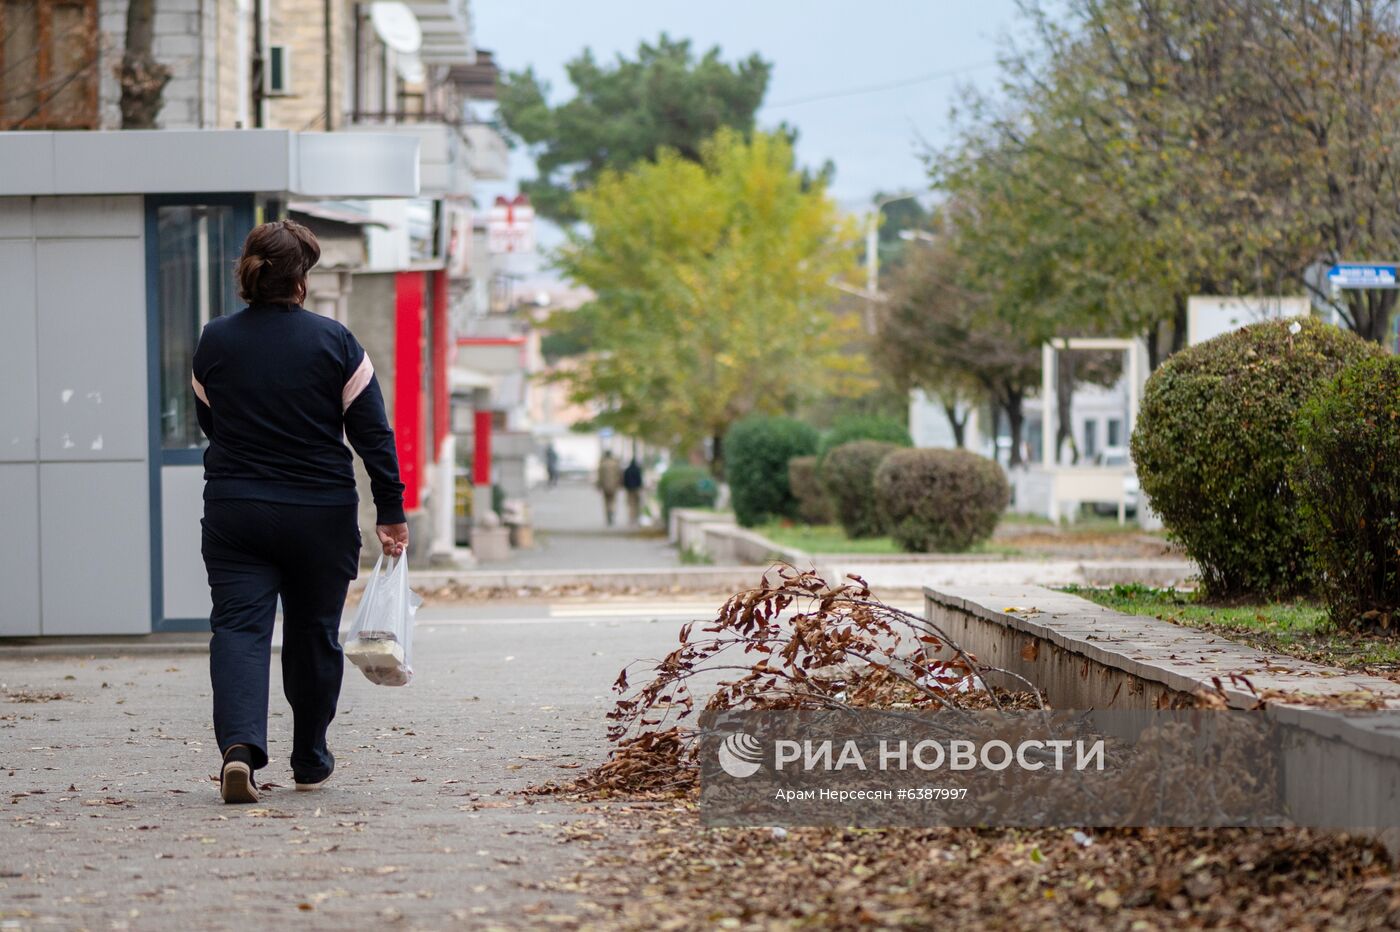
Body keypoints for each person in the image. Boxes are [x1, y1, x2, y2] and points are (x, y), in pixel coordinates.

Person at [191, 219, 408, 804]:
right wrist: (391, 509)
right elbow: (373, 436)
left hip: (236, 511)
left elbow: (210, 420)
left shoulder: (215, 339)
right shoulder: (335, 342)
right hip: (320, 513)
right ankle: (309, 756)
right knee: (313, 634)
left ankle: (239, 750)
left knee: (238, 627)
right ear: (302, 281)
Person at [597, 450, 622, 526]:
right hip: (614, 486)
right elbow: (619, 475)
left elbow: (600, 477)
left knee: (606, 501)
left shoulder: (602, 464)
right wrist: (619, 484)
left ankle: (608, 514)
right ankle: (612, 511)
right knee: (613, 501)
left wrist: (599, 485)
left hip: (605, 486)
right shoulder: (615, 464)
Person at [623, 457, 644, 526]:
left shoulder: (627, 470)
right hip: (636, 489)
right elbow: (640, 479)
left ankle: (631, 518)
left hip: (629, 489)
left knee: (631, 504)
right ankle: (636, 518)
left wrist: (626, 487)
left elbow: (625, 480)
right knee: (637, 504)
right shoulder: (638, 470)